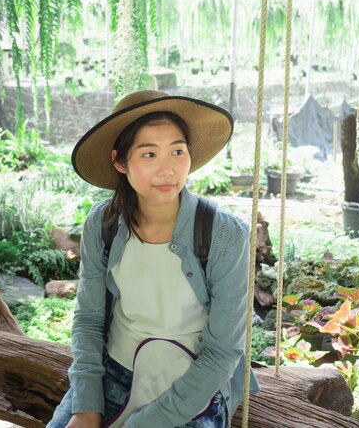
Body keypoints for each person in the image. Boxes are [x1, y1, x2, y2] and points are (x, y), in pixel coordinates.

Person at [47, 90, 260, 428]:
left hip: (192, 388)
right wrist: (86, 405)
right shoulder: (103, 225)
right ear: (120, 162)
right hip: (112, 374)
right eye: (149, 154)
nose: (168, 169)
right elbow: (88, 320)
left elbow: (223, 352)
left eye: (178, 151)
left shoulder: (225, 234)